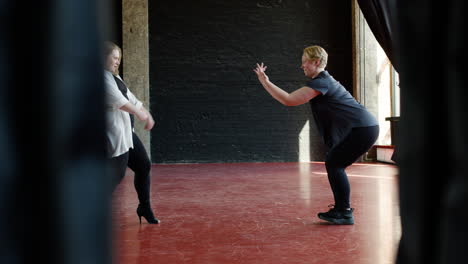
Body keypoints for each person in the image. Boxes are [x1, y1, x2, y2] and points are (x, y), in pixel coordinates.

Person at [253, 45, 379, 225]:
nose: (301, 66)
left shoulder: (322, 82)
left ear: (316, 62)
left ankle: (344, 212)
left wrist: (265, 82)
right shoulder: (323, 80)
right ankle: (342, 210)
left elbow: (289, 100)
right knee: (334, 163)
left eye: (304, 62)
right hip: (364, 127)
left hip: (363, 129)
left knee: (335, 164)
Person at [103, 41, 160, 224]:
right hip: (115, 134)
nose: (117, 61)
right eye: (114, 57)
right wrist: (140, 113)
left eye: (119, 58)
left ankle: (144, 207)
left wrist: (146, 113)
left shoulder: (115, 78)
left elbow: (131, 99)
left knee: (143, 165)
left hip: (128, 133)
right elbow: (119, 101)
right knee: (115, 177)